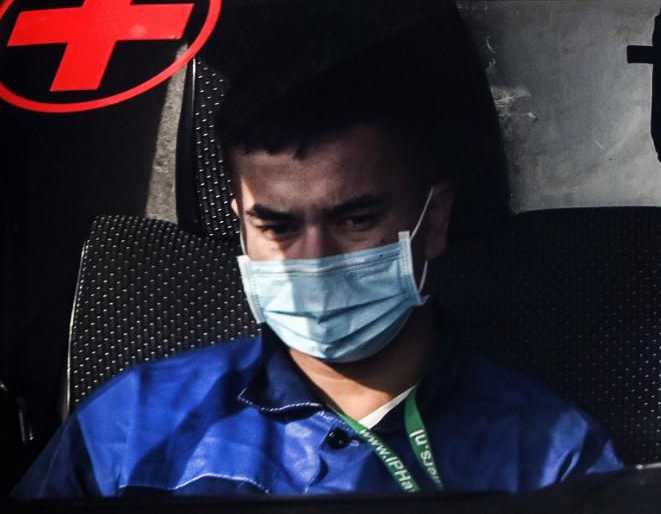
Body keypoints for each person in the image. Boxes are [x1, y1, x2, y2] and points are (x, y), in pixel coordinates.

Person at [12, 27, 621, 498]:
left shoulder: (547, 456)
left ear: (433, 222)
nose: (313, 262)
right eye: (275, 225)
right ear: (241, 225)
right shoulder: (133, 425)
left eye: (354, 220)